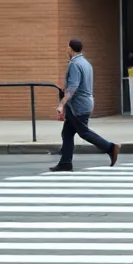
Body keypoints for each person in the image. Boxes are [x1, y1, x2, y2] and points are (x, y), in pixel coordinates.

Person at [52, 38, 119, 172]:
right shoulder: (86, 63)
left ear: (71, 49)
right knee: (67, 133)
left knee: (84, 132)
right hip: (85, 102)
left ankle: (110, 148)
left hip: (78, 105)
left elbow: (72, 88)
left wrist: (61, 104)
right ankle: (65, 163)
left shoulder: (75, 65)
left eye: (67, 47)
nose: (66, 50)